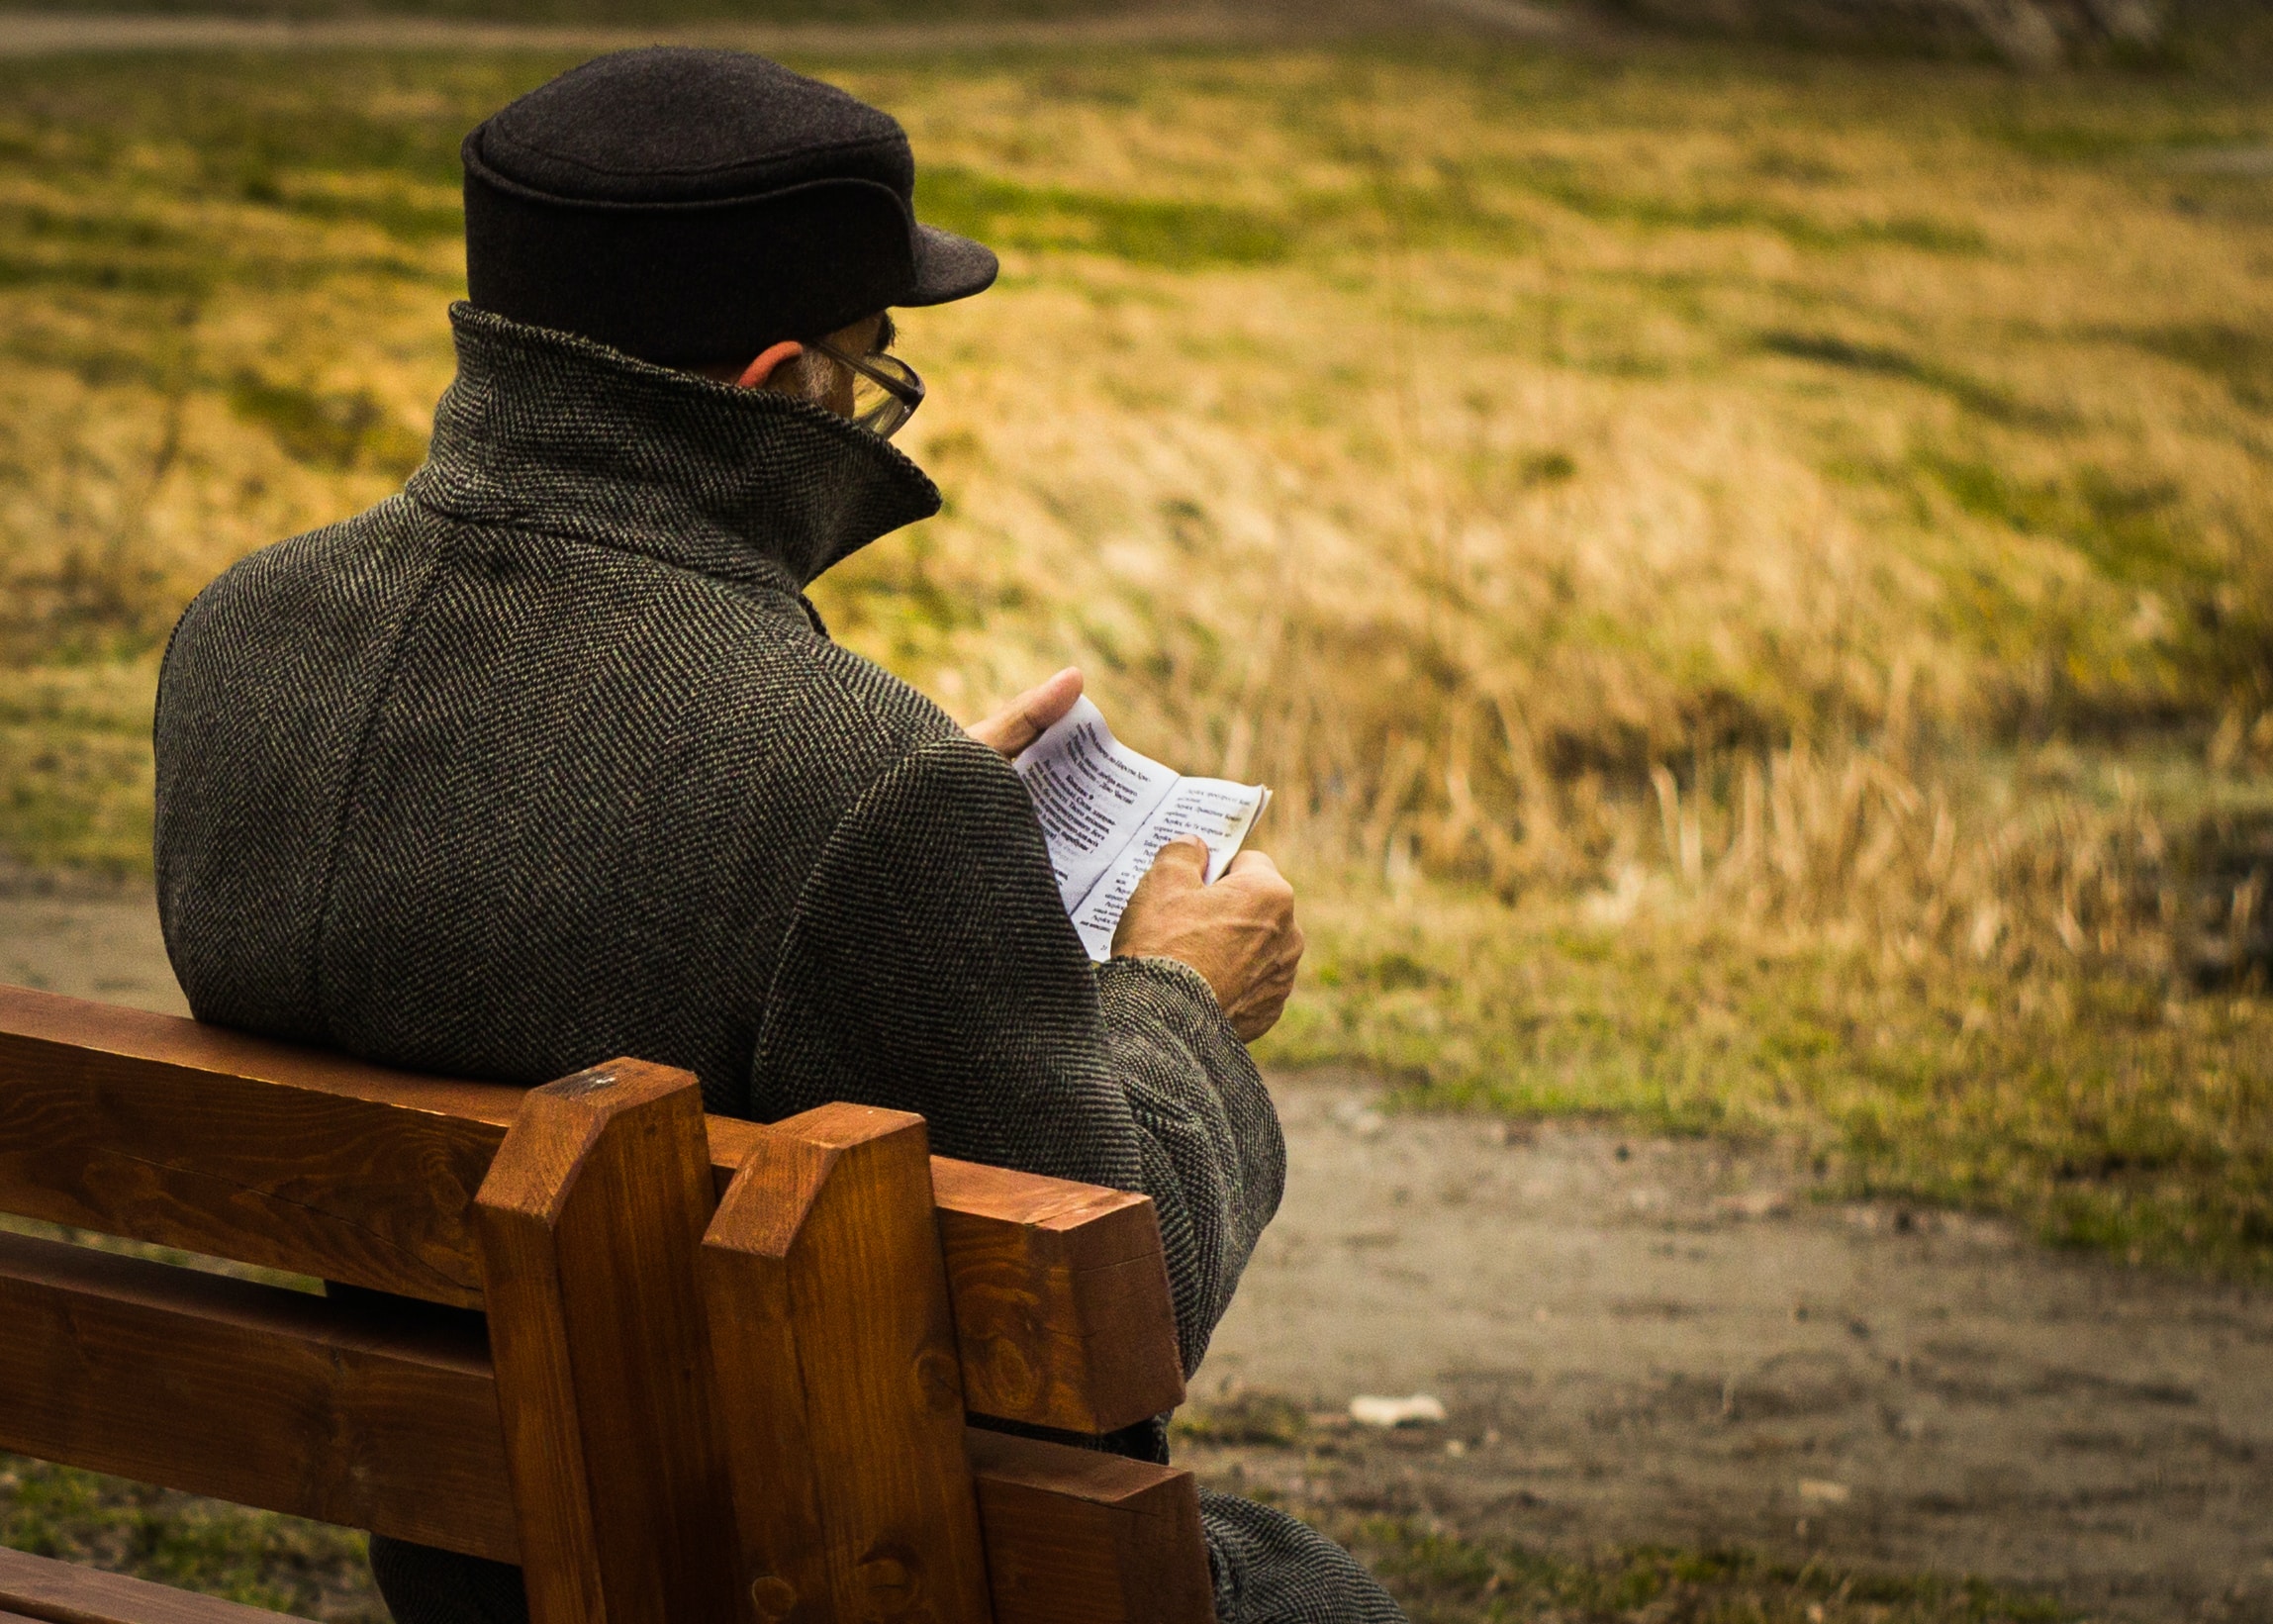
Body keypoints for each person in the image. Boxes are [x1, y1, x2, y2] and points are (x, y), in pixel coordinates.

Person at [150, 46, 1402, 1624]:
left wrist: (895, 818)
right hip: (793, 1570)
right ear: (779, 390)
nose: (879, 404)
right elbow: (1099, 1322)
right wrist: (1176, 1000)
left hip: (461, 1549)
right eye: (873, 368)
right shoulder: (851, 788)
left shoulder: (237, 642)